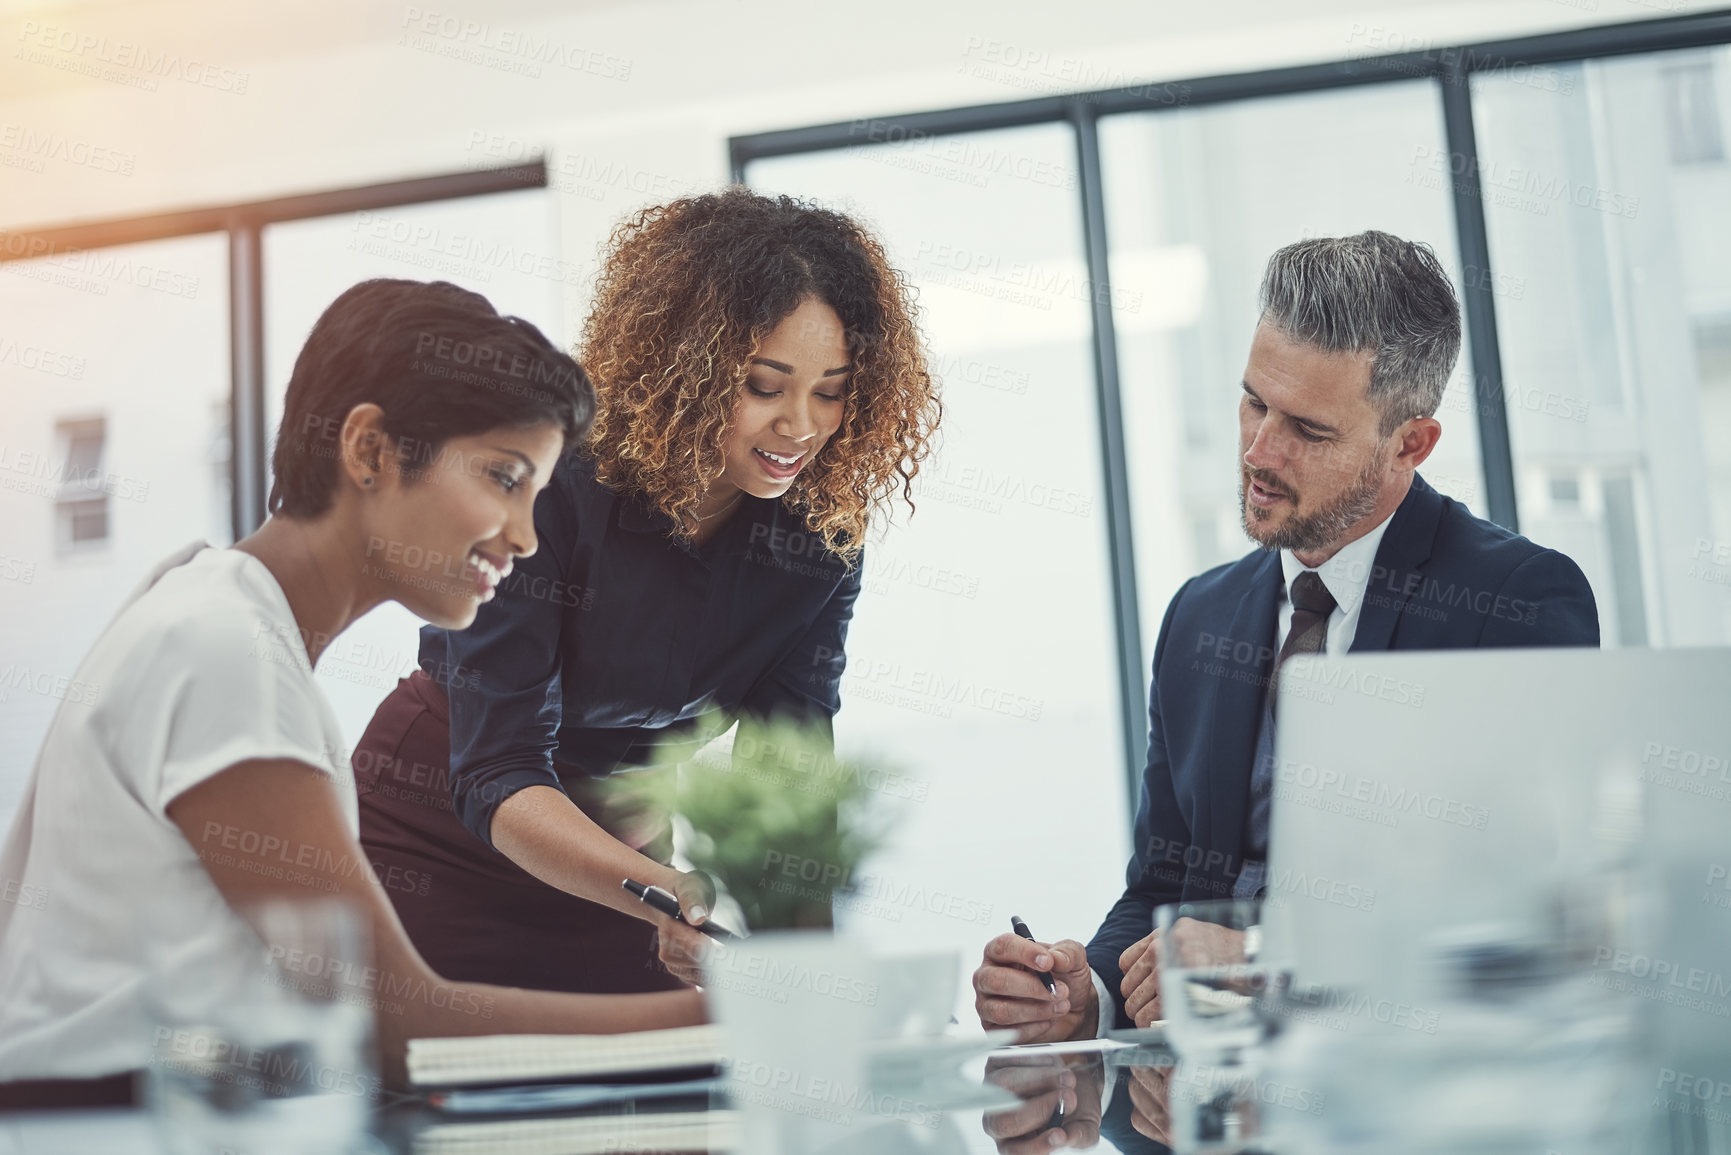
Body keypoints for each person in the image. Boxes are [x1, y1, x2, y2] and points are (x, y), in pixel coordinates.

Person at [0, 280, 706, 1102]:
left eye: (539, 497)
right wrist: (720, 1023)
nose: (524, 537)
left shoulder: (216, 613)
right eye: (505, 479)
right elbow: (390, 1027)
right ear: (370, 449)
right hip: (107, 1118)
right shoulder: (222, 647)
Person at [971, 230, 1600, 1041]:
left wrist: (1273, 958)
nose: (1258, 451)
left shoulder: (1512, 600)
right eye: (1253, 402)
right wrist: (1086, 988)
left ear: (1409, 442)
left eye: (1307, 428)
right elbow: (1166, 885)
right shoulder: (1198, 616)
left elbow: (1536, 920)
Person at [354, 188, 940, 993]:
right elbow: (496, 767)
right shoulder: (551, 485)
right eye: (764, 385)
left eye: (830, 390)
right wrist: (658, 888)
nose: (800, 425)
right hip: (440, 837)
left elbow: (787, 789)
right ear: (685, 366)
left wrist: (813, 991)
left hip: (627, 873)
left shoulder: (819, 538)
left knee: (661, 1104)